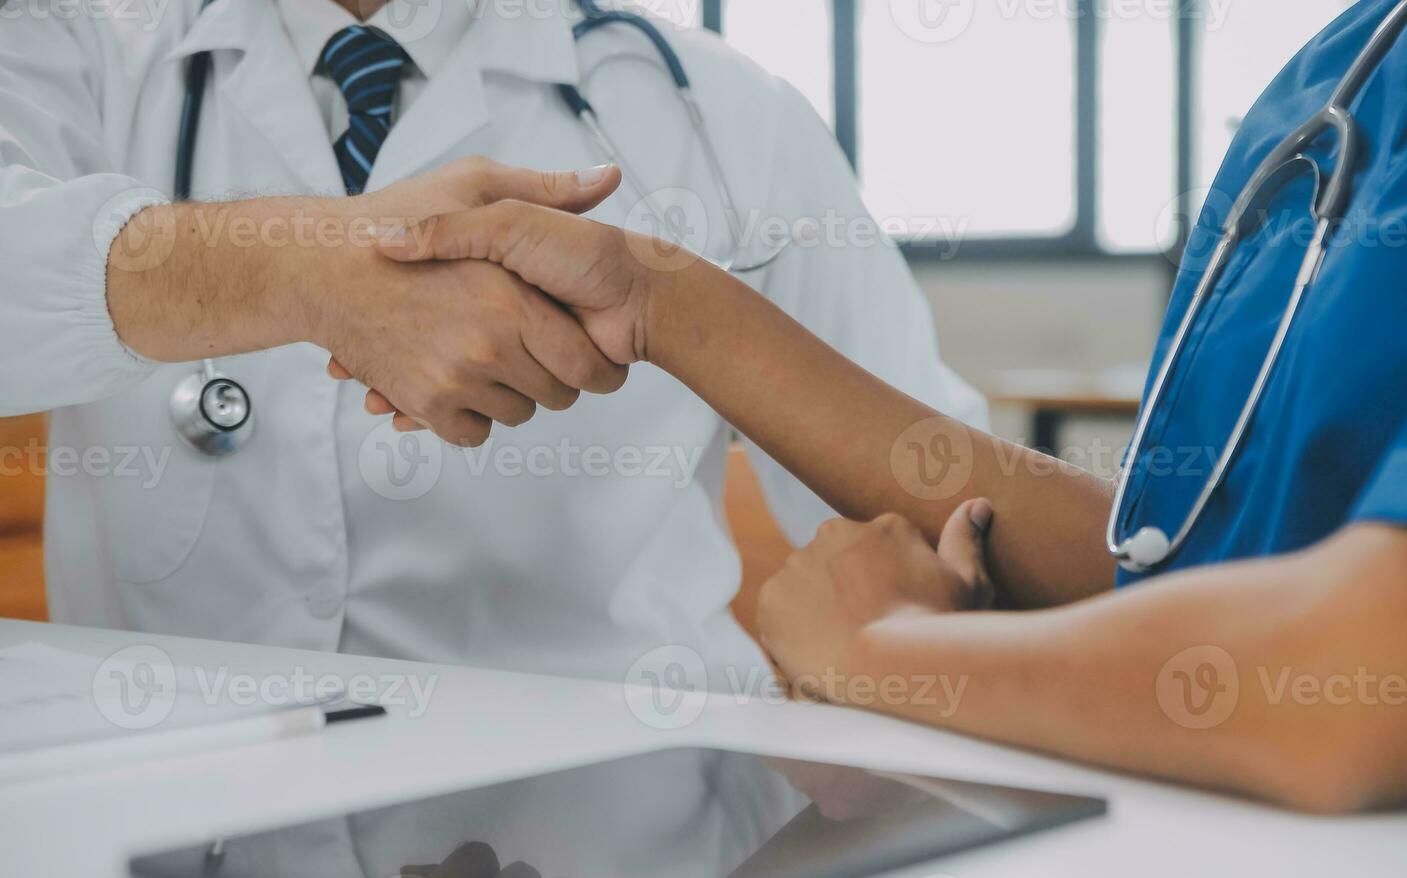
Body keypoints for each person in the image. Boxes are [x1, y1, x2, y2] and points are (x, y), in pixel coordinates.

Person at [353, 0, 1407, 812]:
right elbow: (1177, 565)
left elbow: (1375, 669)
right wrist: (662, 298)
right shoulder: (1352, 64)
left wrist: (886, 652)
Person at [0, 0, 984, 688]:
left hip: (621, 847)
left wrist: (885, 684)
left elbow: (944, 506)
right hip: (175, 838)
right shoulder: (72, 47)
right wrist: (301, 268)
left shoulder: (717, 112)